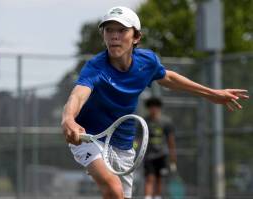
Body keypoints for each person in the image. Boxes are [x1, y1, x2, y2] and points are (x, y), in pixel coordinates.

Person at [61, 6, 249, 199]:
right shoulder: (95, 68)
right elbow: (77, 96)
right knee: (114, 190)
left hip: (123, 144)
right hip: (90, 137)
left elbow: (168, 77)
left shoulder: (147, 62)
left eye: (122, 30)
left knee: (118, 196)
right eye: (109, 30)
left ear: (136, 37)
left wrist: (211, 93)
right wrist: (69, 119)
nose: (114, 36)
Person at [143, 97, 177, 199]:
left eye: (155, 107)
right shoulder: (144, 121)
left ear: (159, 108)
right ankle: (148, 196)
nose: (153, 109)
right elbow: (138, 140)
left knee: (159, 178)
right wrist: (135, 149)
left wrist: (173, 158)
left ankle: (157, 197)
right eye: (151, 107)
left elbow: (170, 140)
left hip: (162, 155)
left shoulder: (166, 122)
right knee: (150, 178)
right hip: (148, 156)